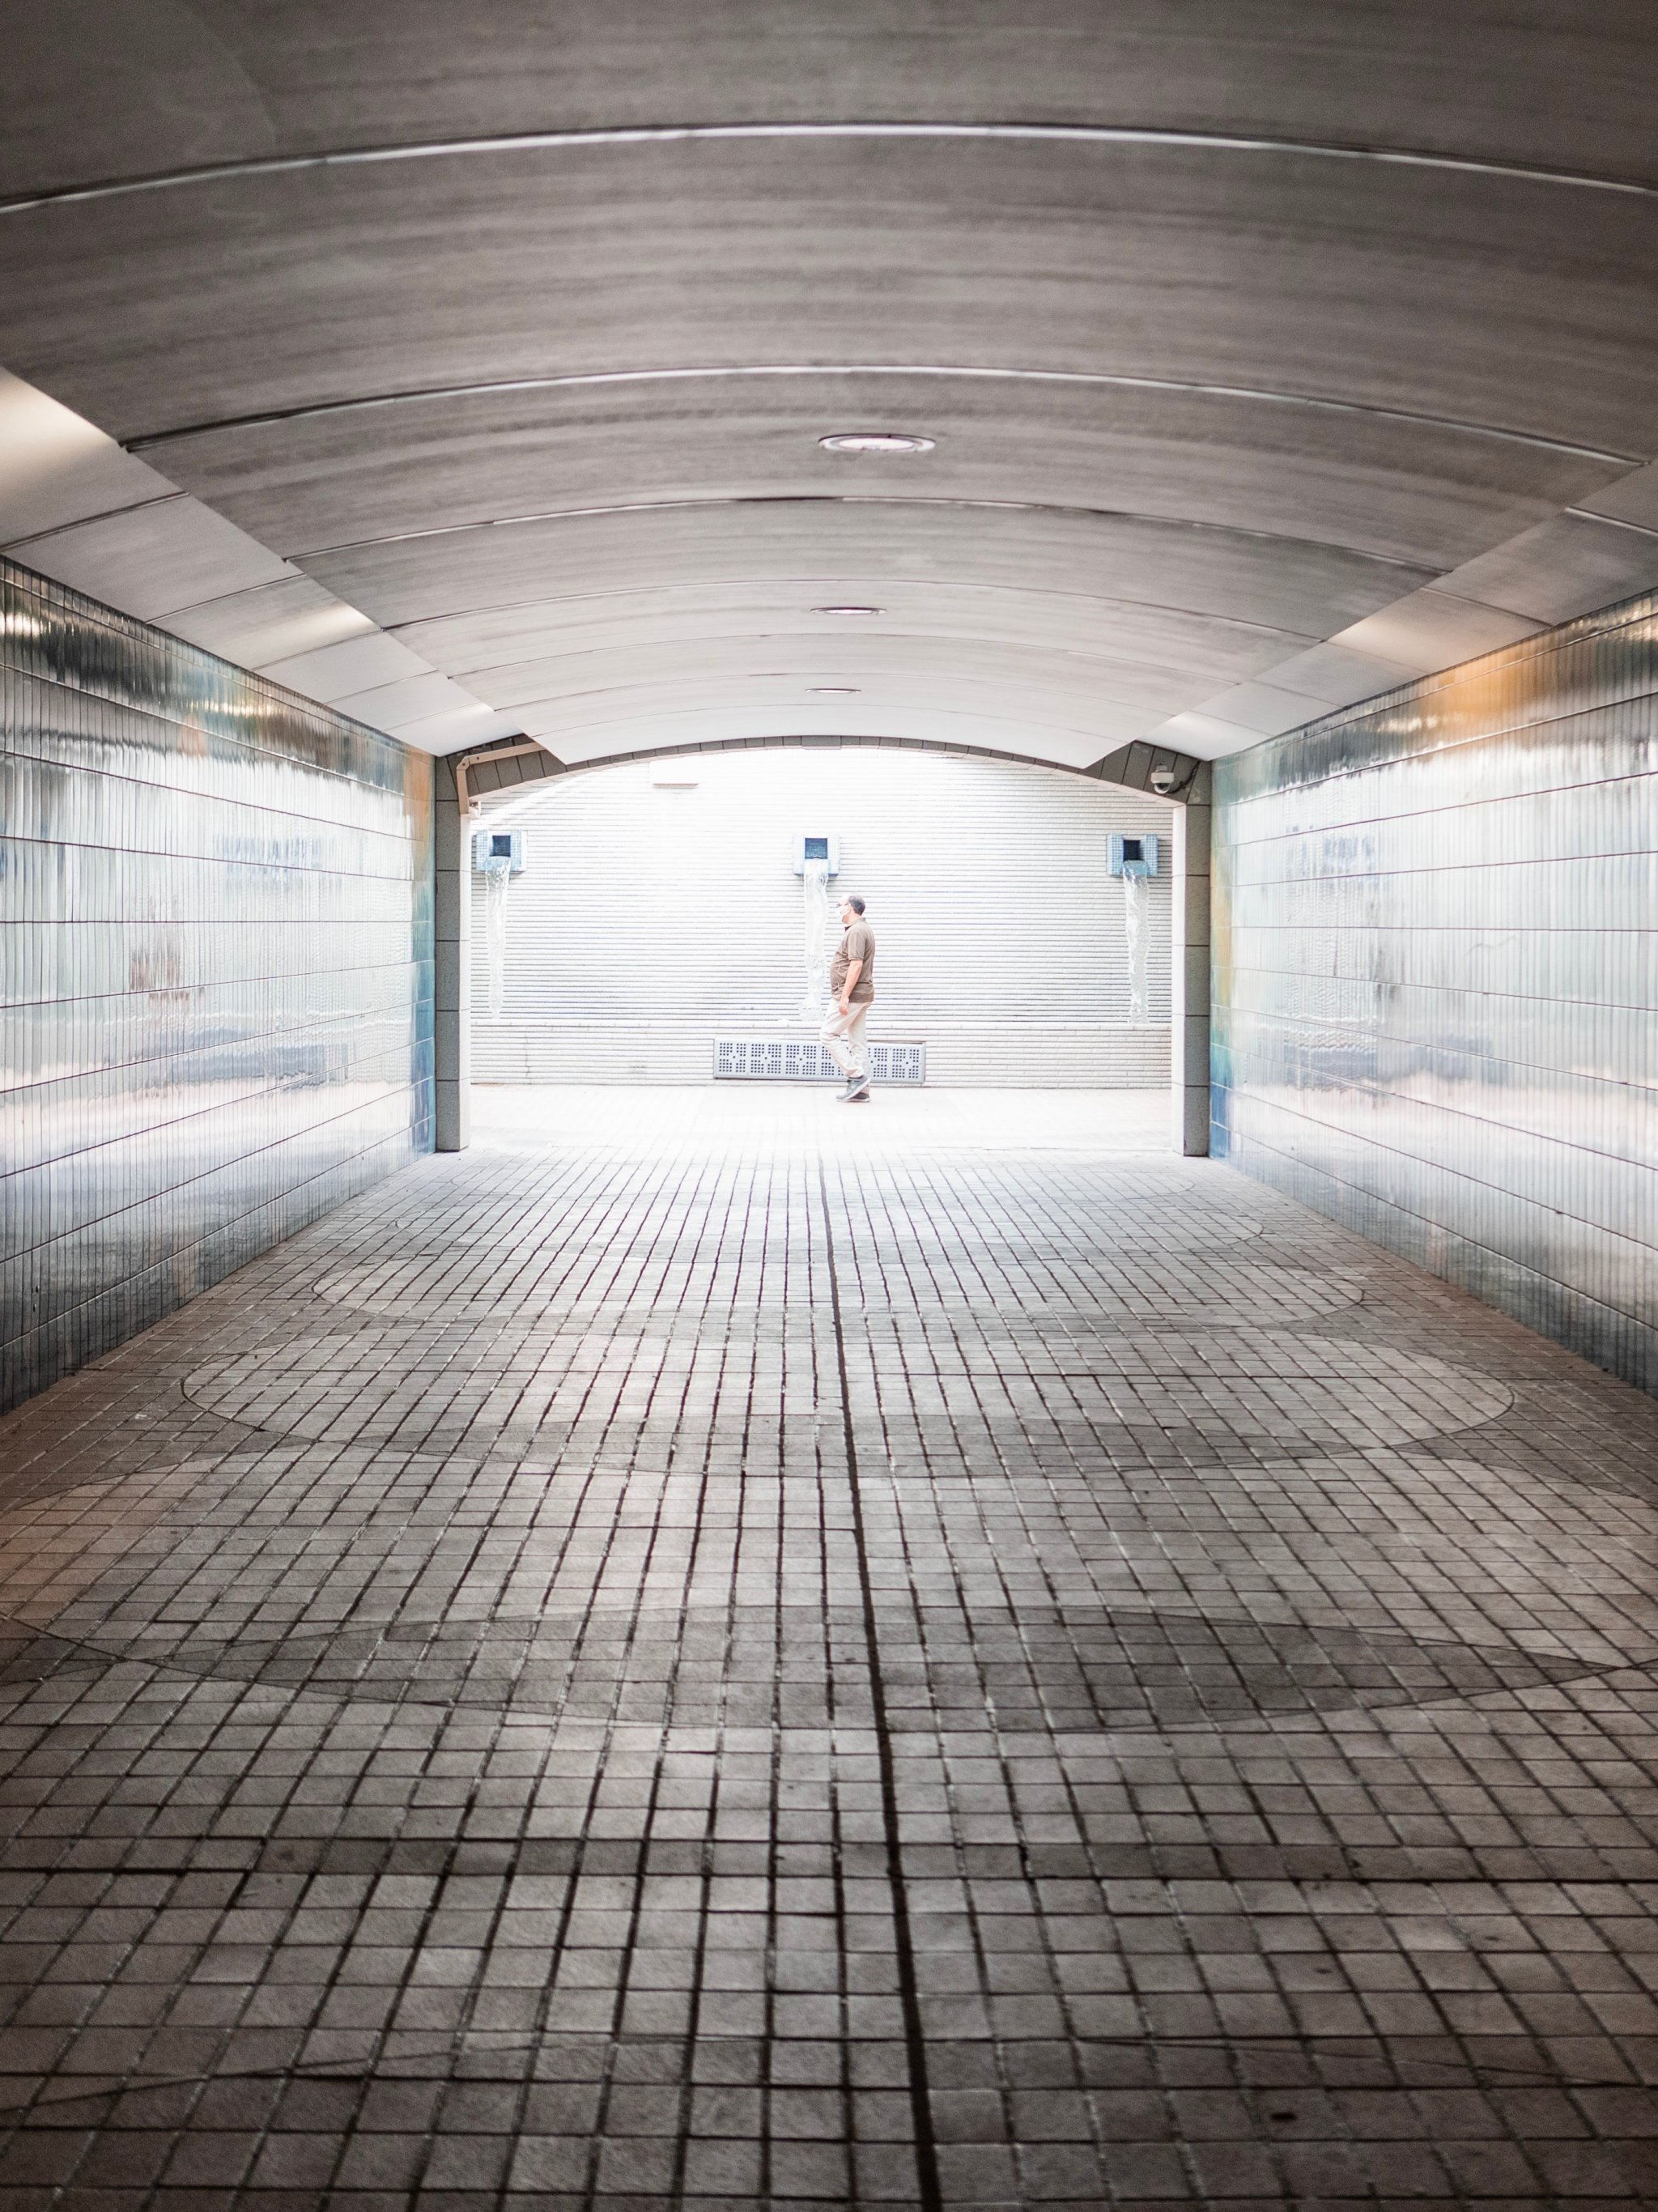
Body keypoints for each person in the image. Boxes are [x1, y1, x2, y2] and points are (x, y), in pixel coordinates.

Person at [822, 895, 875, 1103]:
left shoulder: (856, 931)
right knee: (857, 1043)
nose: (838, 908)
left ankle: (856, 1076)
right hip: (861, 995)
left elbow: (856, 964)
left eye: (841, 905)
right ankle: (862, 1091)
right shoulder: (860, 929)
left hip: (852, 995)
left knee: (828, 1034)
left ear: (851, 908)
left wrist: (844, 997)